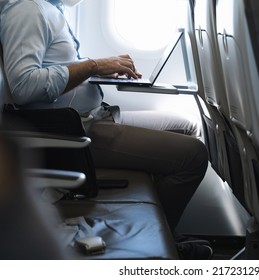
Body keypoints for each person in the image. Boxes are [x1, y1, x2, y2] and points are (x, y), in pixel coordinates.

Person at [0, 0, 210, 258]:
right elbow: (23, 87)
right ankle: (167, 239)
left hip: (94, 116)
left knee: (186, 126)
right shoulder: (27, 9)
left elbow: (57, 68)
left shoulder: (52, 8)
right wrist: (94, 66)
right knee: (194, 156)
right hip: (73, 132)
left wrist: (101, 69)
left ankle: (167, 230)